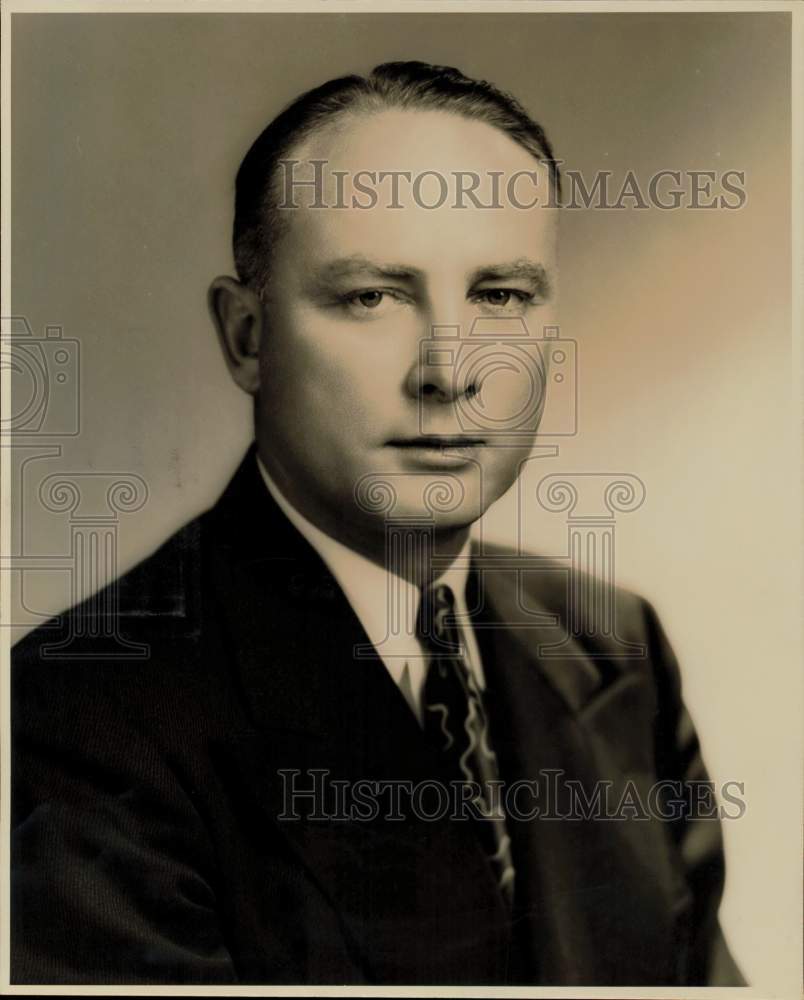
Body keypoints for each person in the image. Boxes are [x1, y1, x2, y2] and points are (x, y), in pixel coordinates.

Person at [11, 61, 744, 986]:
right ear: (247, 336)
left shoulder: (614, 649)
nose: (448, 369)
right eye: (372, 297)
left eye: (500, 296)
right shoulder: (77, 720)